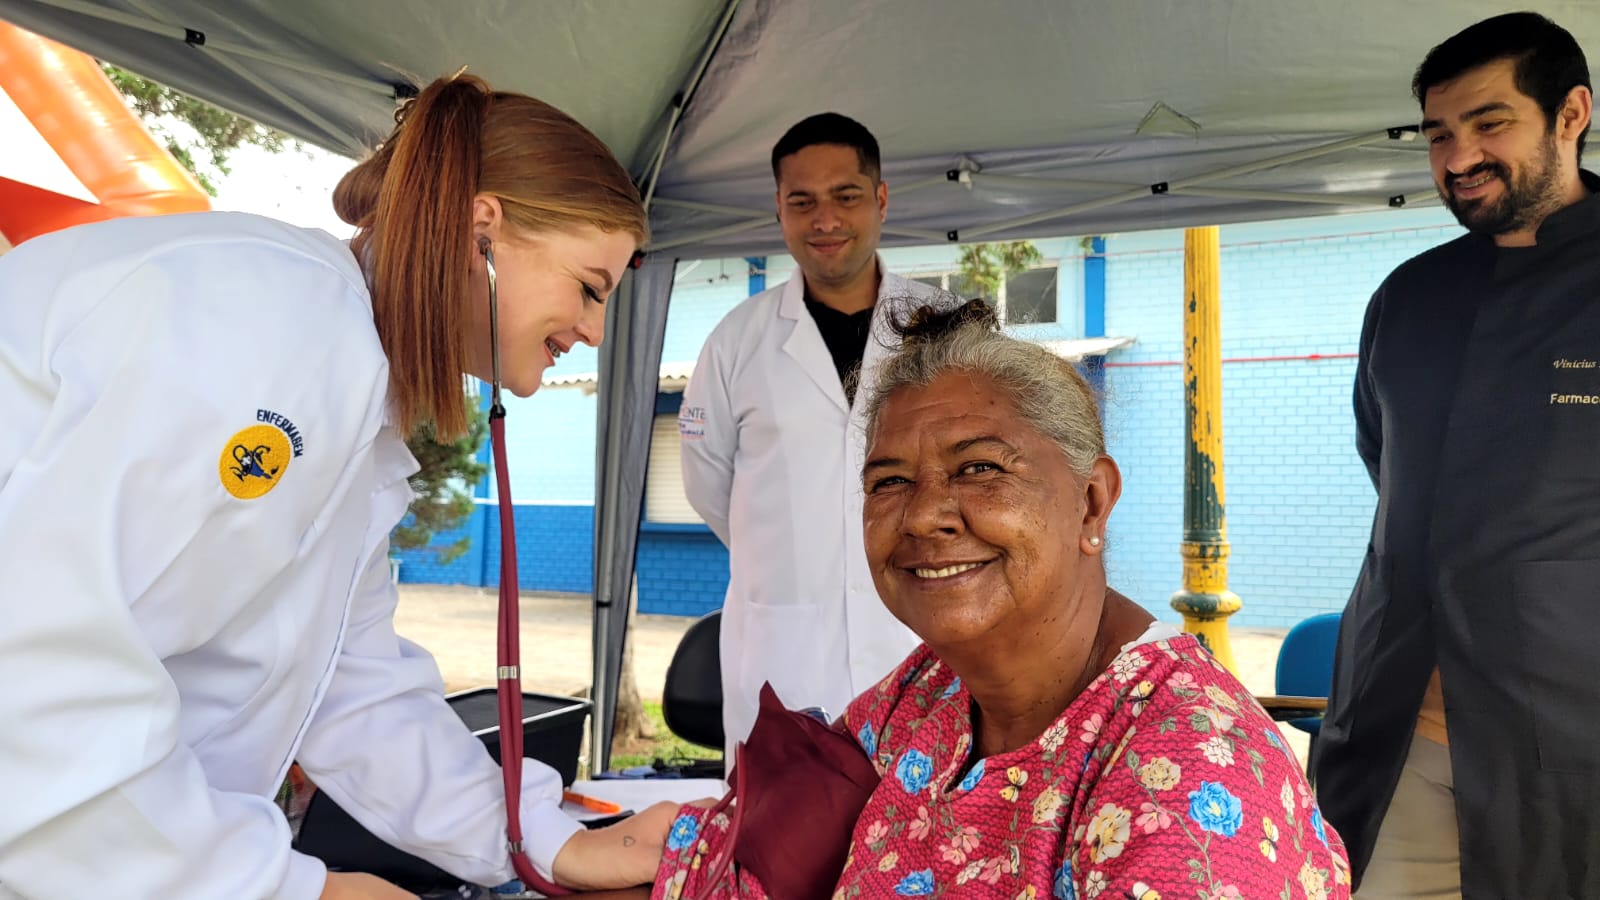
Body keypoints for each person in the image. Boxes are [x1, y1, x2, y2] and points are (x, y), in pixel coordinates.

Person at [0, 73, 681, 899]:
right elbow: (41, 662)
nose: (595, 331)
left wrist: (551, 840)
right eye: (589, 287)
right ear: (483, 230)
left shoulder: (347, 381)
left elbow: (351, 684)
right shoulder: (272, 324)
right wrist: (282, 888)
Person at [653, 300, 1351, 898]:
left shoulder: (1191, 771)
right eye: (889, 481)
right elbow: (767, 835)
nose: (925, 516)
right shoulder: (930, 693)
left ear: (1090, 501)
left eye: (980, 468)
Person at [1311, 12, 1599, 899]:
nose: (1457, 156)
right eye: (1439, 133)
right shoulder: (1409, 297)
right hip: (1394, 729)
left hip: (1568, 751)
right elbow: (1388, 469)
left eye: (1489, 123)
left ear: (1571, 114)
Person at [678, 113, 944, 763]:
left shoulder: (944, 328)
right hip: (783, 660)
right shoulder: (737, 341)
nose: (824, 219)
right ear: (779, 209)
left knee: (927, 844)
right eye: (803, 201)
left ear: (880, 199)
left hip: (921, 647)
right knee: (786, 852)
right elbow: (709, 485)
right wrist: (800, 548)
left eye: (846, 196)